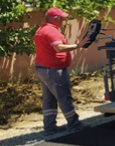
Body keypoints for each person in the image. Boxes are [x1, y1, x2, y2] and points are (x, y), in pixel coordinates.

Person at [34, 7, 89, 135]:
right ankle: (74, 124)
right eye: (62, 19)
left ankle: (49, 128)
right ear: (56, 19)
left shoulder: (41, 30)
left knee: (49, 99)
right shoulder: (52, 31)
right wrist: (78, 45)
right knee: (64, 97)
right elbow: (59, 48)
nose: (63, 21)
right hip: (53, 71)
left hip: (43, 69)